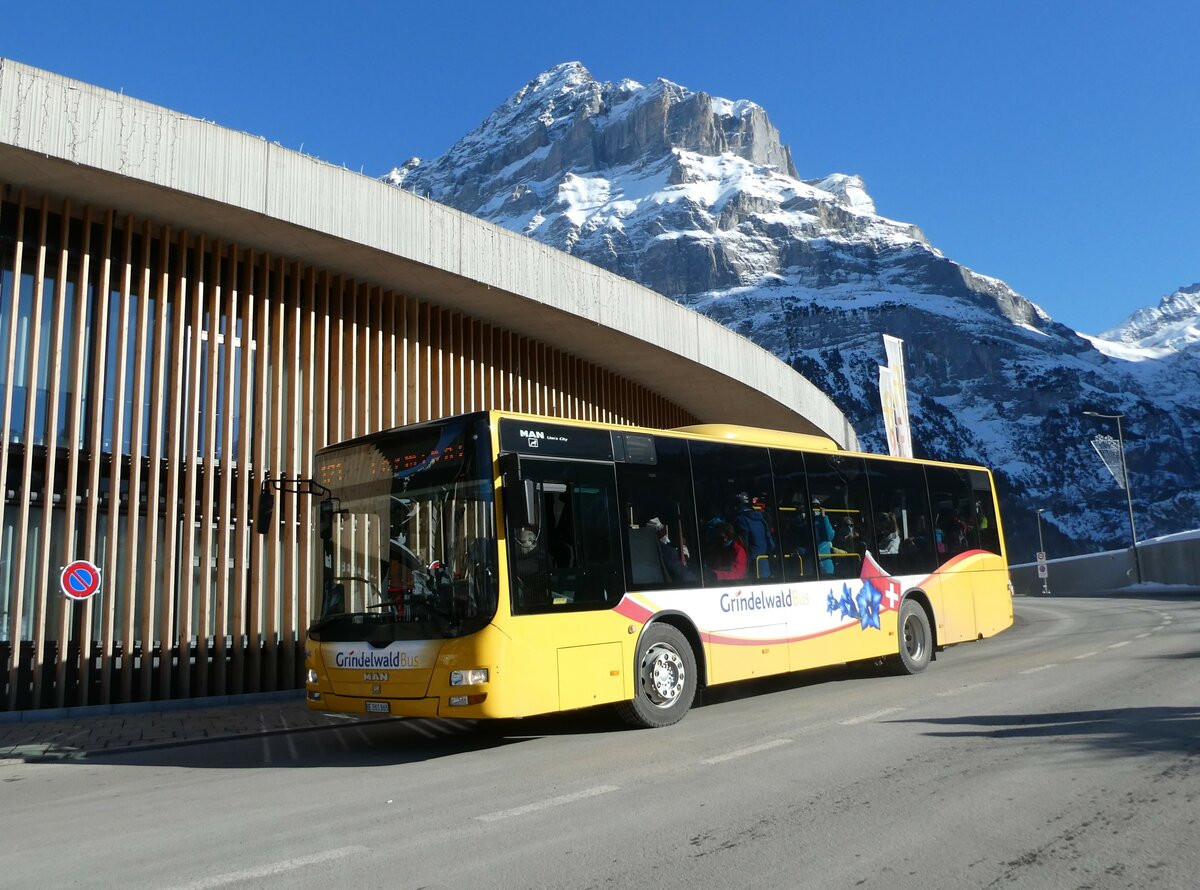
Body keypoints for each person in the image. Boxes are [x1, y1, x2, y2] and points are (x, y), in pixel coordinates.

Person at [734, 491, 776, 578]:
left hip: (751, 566)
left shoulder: (741, 519)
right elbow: (771, 543)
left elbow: (743, 543)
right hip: (764, 564)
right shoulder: (761, 518)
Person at [647, 516, 693, 582]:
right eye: (662, 530)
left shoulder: (644, 550)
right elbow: (683, 575)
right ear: (661, 533)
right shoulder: (668, 552)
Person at [811, 499, 836, 576]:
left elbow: (830, 536)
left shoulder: (823, 521)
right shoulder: (807, 522)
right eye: (813, 506)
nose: (815, 508)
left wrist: (824, 517)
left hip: (826, 564)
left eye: (817, 506)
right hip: (812, 565)